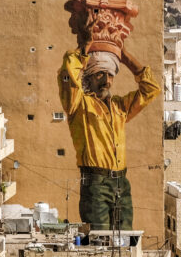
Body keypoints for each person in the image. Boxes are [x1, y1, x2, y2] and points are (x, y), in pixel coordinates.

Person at [57, 46, 160, 230]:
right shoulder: (79, 105)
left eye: (110, 75)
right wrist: (84, 47)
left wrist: (125, 56)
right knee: (100, 239)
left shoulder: (119, 107)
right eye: (100, 75)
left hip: (121, 182)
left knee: (126, 239)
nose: (106, 81)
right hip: (95, 183)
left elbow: (150, 89)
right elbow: (68, 75)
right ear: (88, 77)